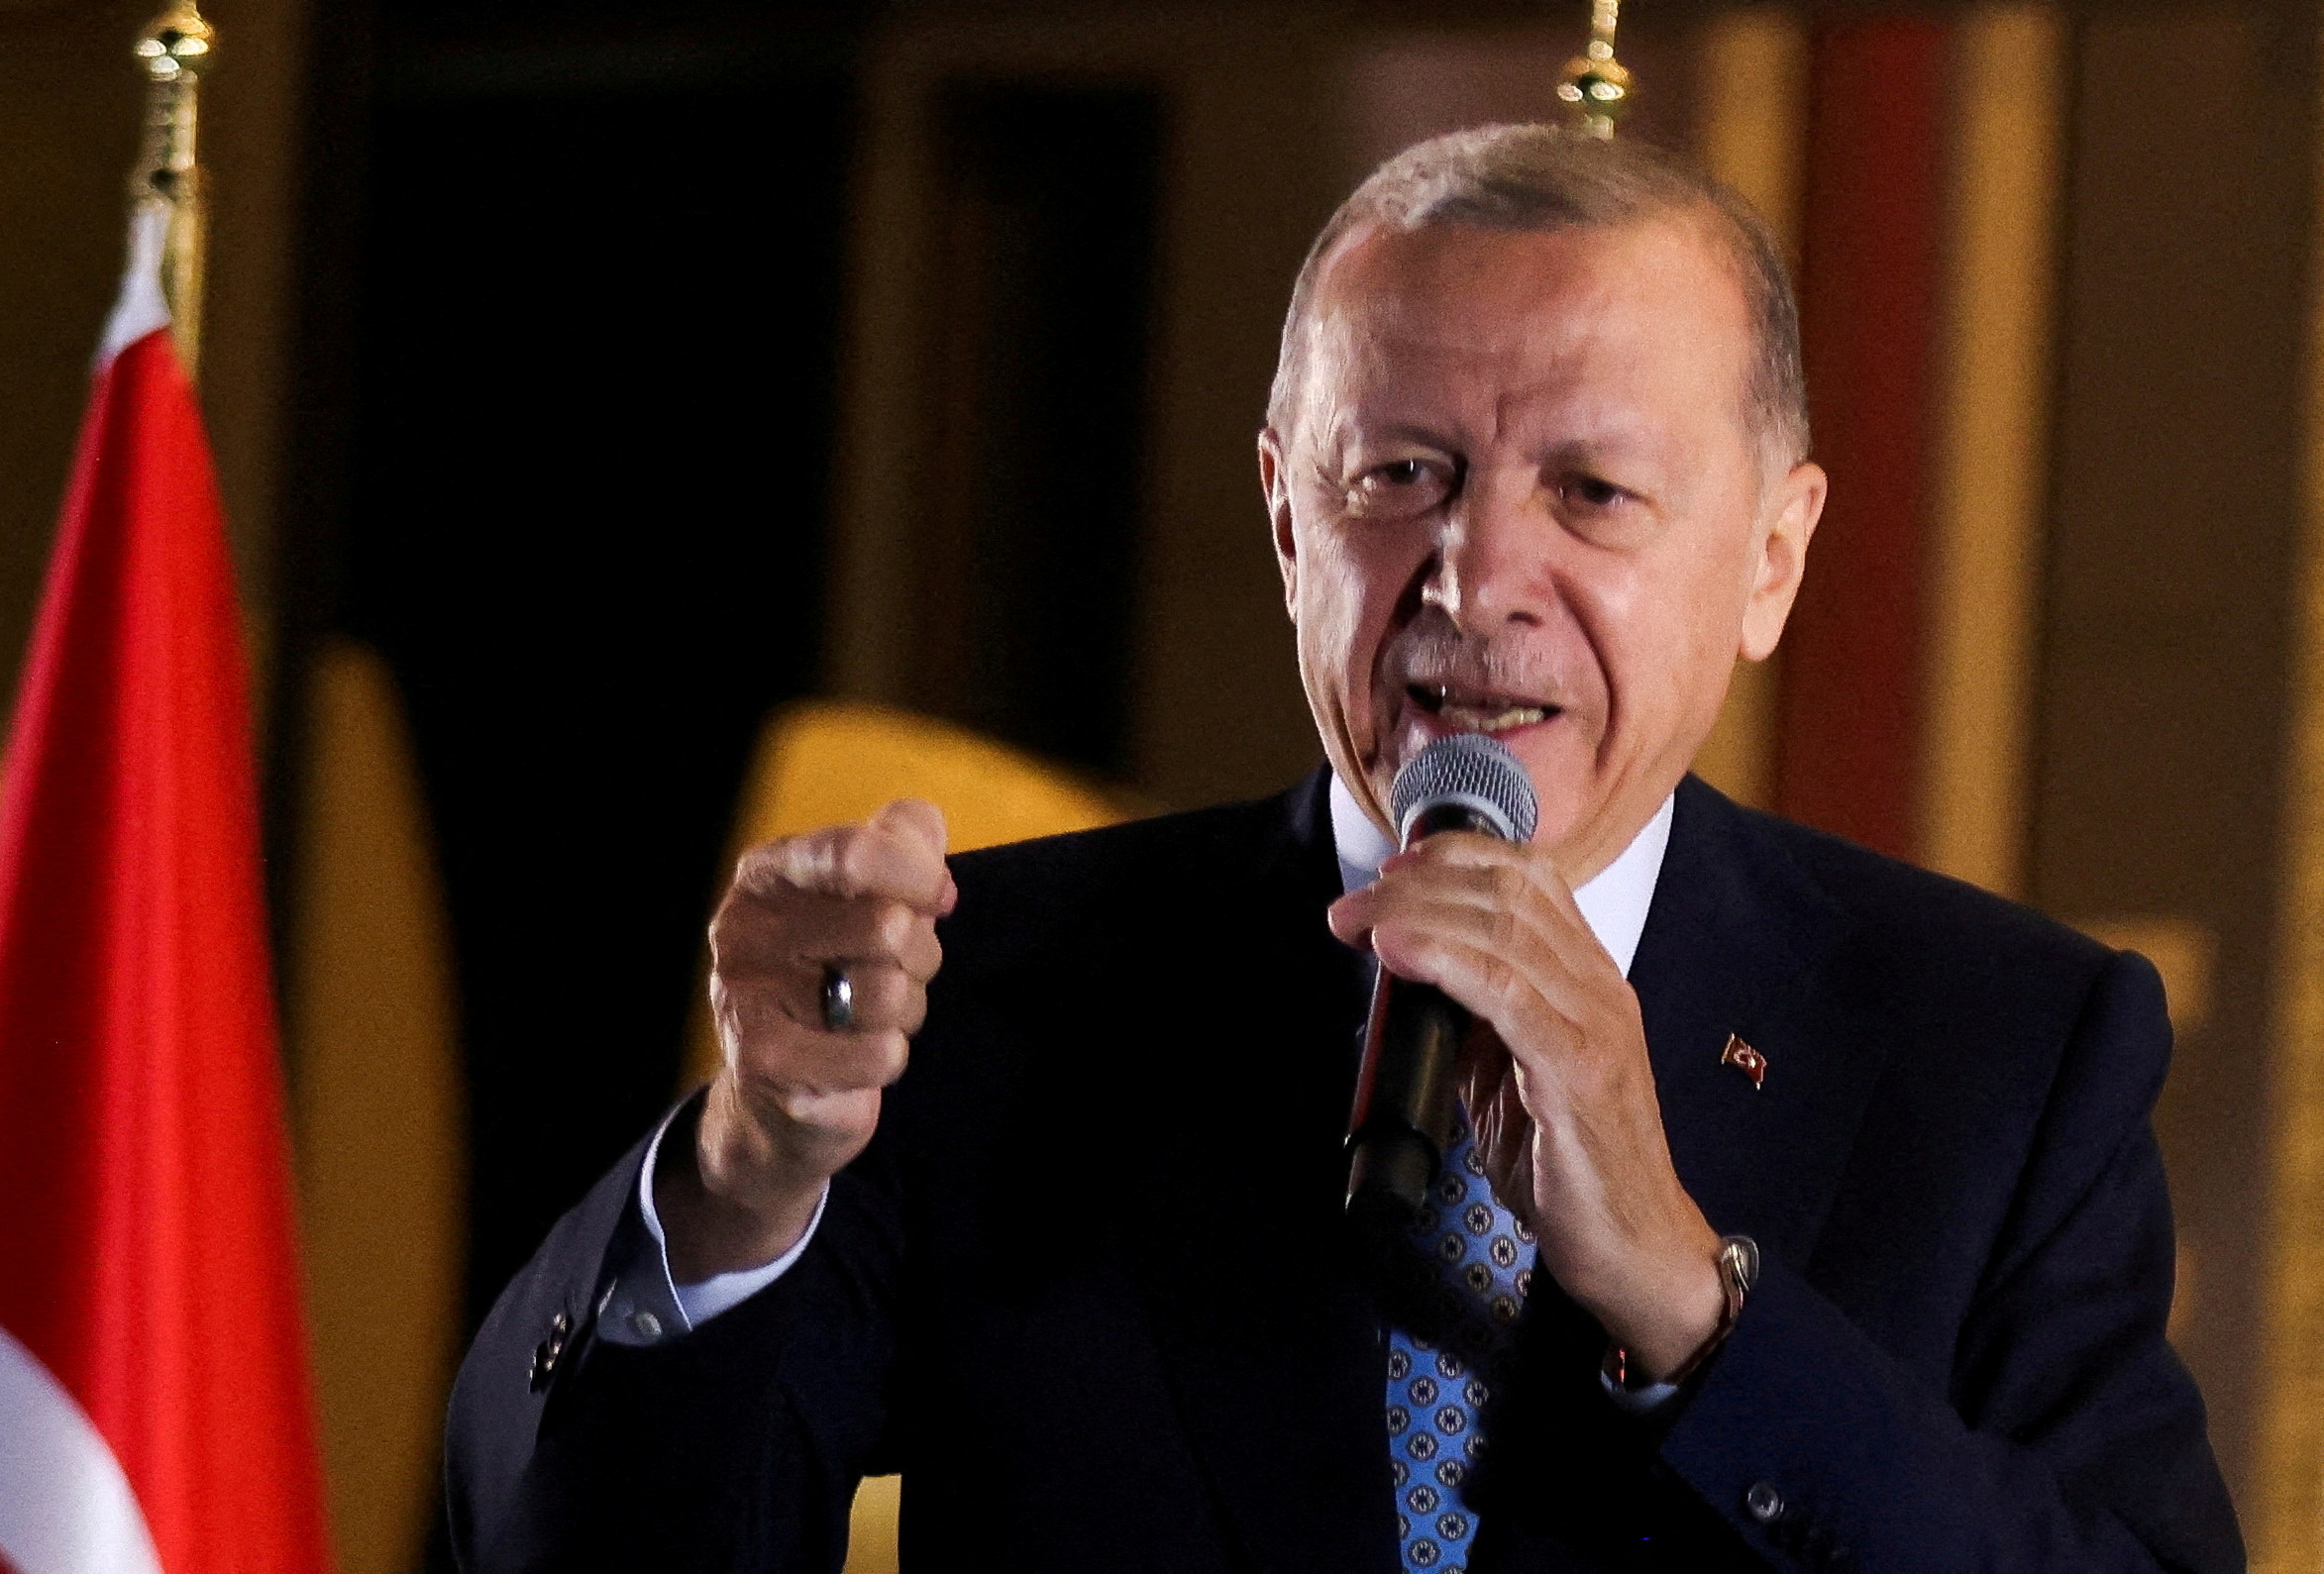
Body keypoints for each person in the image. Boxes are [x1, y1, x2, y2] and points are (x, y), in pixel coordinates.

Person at [445, 125, 2241, 1573]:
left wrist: (1694, 1309)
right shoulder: (994, 999)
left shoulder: (2001, 1055)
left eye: (1589, 493)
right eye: (1398, 477)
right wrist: (745, 1178)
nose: (1473, 580)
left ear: (1768, 558)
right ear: (1287, 524)